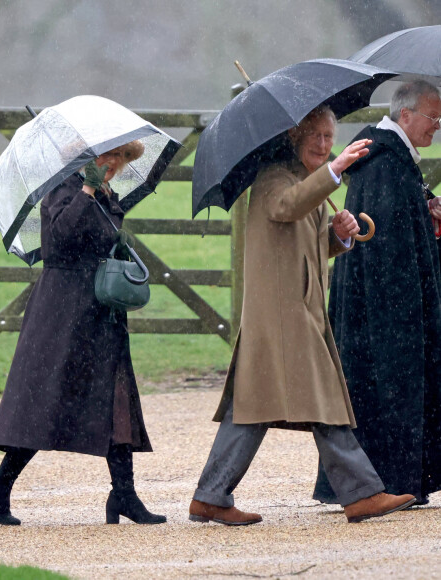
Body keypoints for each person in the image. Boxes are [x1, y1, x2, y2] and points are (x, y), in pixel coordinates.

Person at [189, 105, 416, 526]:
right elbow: (285, 208)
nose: (325, 145)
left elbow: (308, 247)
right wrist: (334, 171)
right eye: (316, 137)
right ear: (294, 136)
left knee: (253, 407)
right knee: (323, 401)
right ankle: (362, 494)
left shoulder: (304, 180)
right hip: (282, 315)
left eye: (330, 138)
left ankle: (210, 496)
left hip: (298, 311)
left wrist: (338, 236)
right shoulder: (277, 177)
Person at [0, 140, 166, 526]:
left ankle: (124, 494)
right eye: (108, 154)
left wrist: (117, 240)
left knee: (116, 398)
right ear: (83, 157)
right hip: (62, 310)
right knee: (46, 402)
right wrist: (87, 189)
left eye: (123, 157)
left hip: (100, 311)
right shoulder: (61, 189)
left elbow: (98, 239)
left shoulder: (108, 195)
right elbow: (59, 239)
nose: (115, 163)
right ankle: (0, 483)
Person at [314, 81, 441, 506]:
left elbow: (395, 222)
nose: (437, 127)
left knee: (378, 386)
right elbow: (388, 247)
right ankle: (387, 480)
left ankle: (389, 480)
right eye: (432, 118)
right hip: (387, 307)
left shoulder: (391, 157)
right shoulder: (385, 160)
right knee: (388, 385)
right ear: (405, 115)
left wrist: (425, 212)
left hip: (383, 303)